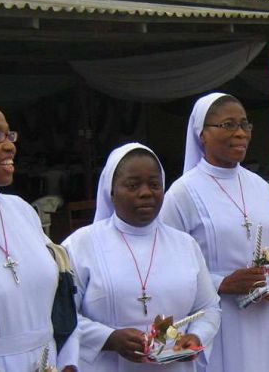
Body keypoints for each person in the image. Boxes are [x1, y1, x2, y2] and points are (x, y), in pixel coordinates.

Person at [159, 93, 269, 372]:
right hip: (215, 320)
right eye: (228, 125)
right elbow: (166, 267)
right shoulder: (183, 193)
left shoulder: (259, 187)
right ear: (202, 134)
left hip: (261, 319)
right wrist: (221, 282)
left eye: (245, 124)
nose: (240, 133)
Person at [63, 143, 221, 371]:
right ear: (111, 190)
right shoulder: (81, 245)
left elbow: (209, 308)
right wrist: (109, 338)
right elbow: (64, 316)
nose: (146, 192)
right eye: (133, 185)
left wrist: (196, 337)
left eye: (155, 184)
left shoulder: (185, 244)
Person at [0, 92, 78, 371]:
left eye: (10, 135)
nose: (10, 147)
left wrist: (67, 359)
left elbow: (60, 301)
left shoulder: (21, 210)